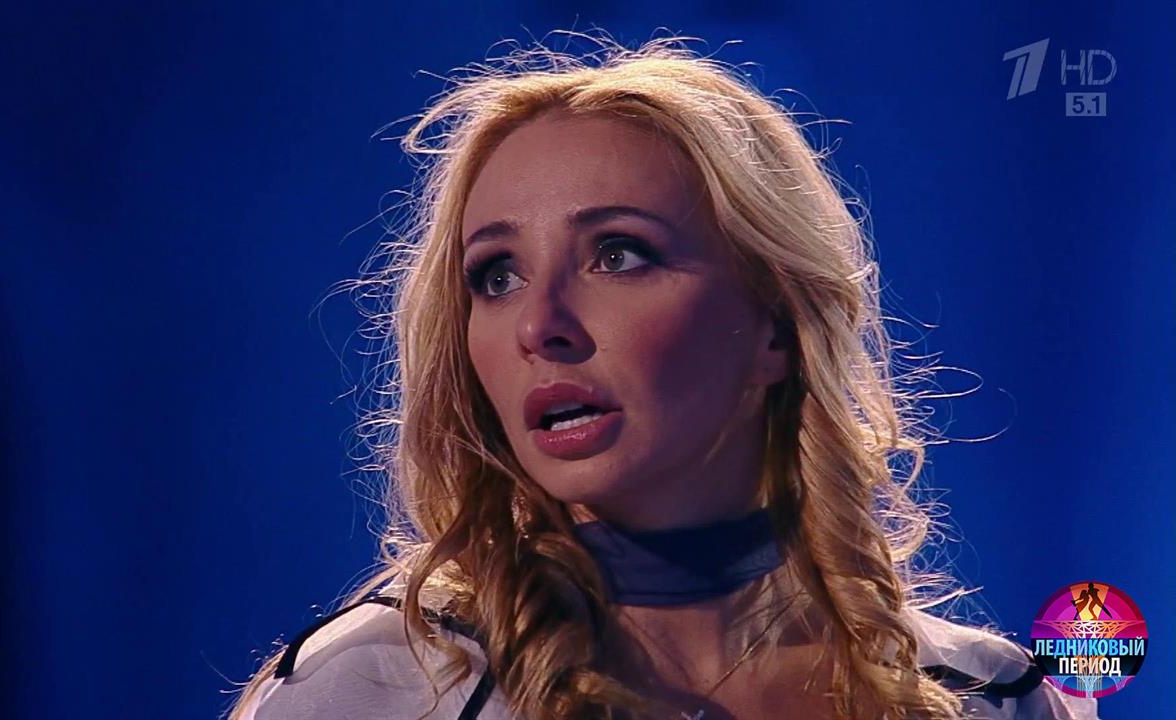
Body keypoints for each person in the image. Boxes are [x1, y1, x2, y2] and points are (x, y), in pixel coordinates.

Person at [227, 34, 1099, 720]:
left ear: (774, 326)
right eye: (496, 275)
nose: (538, 325)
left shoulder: (990, 696)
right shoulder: (372, 692)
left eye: (617, 254)